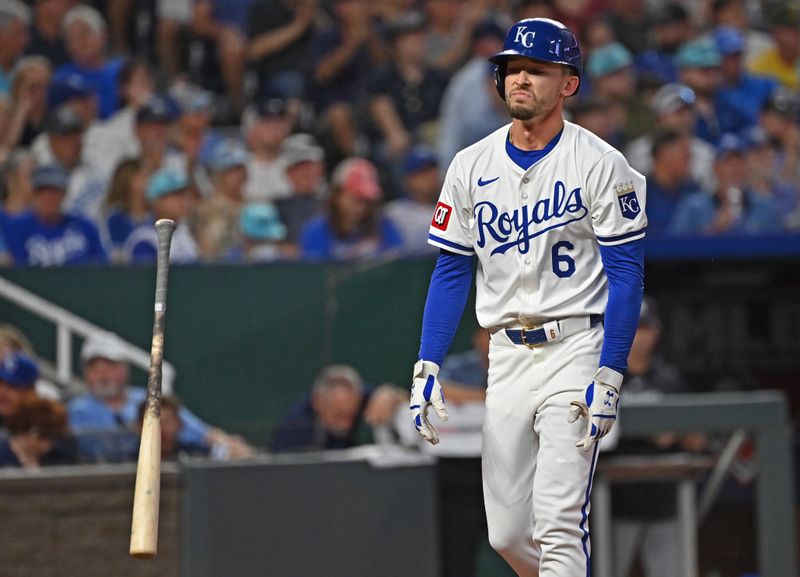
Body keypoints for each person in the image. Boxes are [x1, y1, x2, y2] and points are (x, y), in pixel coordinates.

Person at [408, 18, 647, 577]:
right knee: (509, 532)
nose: (520, 79)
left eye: (537, 70)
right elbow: (450, 271)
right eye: (513, 68)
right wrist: (428, 362)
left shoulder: (602, 164)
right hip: (507, 356)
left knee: (560, 521)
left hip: (575, 346)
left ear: (569, 83)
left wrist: (611, 371)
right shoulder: (470, 165)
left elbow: (628, 275)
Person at [610, 296, 706, 577]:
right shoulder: (604, 375)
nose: (639, 337)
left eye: (644, 328)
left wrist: (674, 434)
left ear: (657, 331)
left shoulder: (669, 378)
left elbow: (697, 438)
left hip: (664, 499)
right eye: (633, 328)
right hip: (614, 501)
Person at [68, 331, 254, 462]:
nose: (102, 375)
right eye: (95, 368)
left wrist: (230, 445)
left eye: (109, 367)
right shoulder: (72, 411)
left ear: (125, 369)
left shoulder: (150, 399)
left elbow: (201, 432)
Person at [271, 364, 407, 453]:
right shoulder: (293, 428)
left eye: (351, 415)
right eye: (338, 416)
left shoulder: (365, 398)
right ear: (317, 403)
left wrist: (394, 396)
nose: (346, 423)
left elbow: (401, 400)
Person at [669, 133, 783, 236]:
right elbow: (674, 247)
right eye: (727, 162)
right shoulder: (693, 207)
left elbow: (780, 250)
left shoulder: (766, 208)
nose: (734, 169)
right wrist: (713, 230)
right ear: (715, 166)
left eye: (739, 162)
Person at [299, 157, 404, 261]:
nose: (362, 208)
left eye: (367, 201)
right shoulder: (316, 230)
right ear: (337, 196)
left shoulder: (384, 226)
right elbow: (316, 273)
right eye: (356, 199)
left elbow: (397, 265)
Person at [3, 164, 108, 267]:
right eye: (43, 190)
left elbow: (101, 267)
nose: (49, 197)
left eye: (55, 190)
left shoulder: (85, 227)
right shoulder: (15, 228)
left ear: (64, 193)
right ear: (34, 193)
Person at [123, 167, 199, 264]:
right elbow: (147, 278)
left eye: (184, 195)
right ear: (156, 202)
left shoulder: (188, 231)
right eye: (176, 195)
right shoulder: (144, 239)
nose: (184, 201)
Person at [384, 145, 441, 255]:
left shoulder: (453, 209)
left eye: (432, 170)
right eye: (423, 172)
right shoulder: (393, 213)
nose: (430, 176)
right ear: (408, 180)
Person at [0, 396, 74, 467]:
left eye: (53, 438)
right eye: (44, 437)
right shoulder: (2, 455)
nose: (48, 445)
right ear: (26, 432)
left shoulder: (60, 457)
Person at [0, 351, 40, 431]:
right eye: (0, 384)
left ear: (31, 392)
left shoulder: (45, 429)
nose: (2, 393)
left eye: (12, 386)